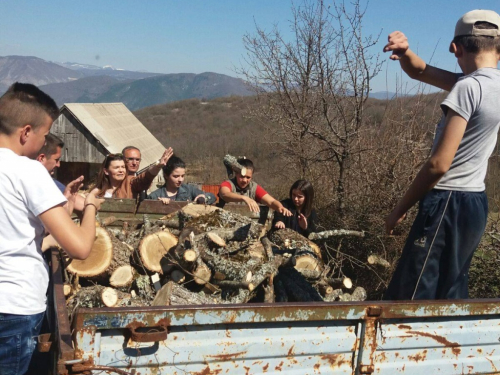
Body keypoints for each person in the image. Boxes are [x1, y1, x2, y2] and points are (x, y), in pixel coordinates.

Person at [383, 10, 500, 300]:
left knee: (413, 292)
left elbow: (439, 164)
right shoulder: (489, 85)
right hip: (475, 202)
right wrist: (406, 52)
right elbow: (421, 71)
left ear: (455, 48)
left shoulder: (467, 87)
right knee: (451, 289)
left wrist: (399, 209)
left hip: (447, 200)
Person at [0, 82, 102, 374]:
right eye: (45, 135)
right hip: (13, 308)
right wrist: (91, 206)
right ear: (26, 132)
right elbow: (80, 247)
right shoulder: (27, 170)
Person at [218, 158, 292, 217]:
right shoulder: (227, 184)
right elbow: (225, 194)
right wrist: (244, 198)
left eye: (248, 177)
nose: (244, 180)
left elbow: (271, 201)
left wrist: (279, 207)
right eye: (242, 176)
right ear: (236, 174)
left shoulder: (254, 187)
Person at [92, 148, 173, 199]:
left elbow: (144, 178)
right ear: (106, 171)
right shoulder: (97, 190)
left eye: (123, 167)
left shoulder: (130, 183)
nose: (121, 170)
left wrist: (158, 166)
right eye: (116, 168)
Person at [36, 133, 85, 213]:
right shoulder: (47, 183)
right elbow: (83, 204)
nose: (58, 165)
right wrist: (92, 203)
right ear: (41, 159)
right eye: (56, 160)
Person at [147, 155, 216, 204]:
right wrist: (159, 205)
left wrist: (204, 197)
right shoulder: (155, 196)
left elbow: (212, 196)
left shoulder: (189, 190)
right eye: (176, 176)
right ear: (166, 176)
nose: (181, 180)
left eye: (182, 176)